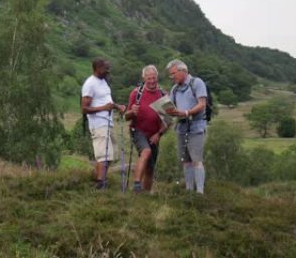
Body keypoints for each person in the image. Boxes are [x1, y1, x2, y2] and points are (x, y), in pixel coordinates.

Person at [81, 58, 125, 189]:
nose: (108, 71)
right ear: (98, 68)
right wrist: (103, 108)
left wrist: (117, 106)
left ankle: (98, 177)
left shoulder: (103, 82)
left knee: (112, 154)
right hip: (98, 124)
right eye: (106, 68)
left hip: (108, 122)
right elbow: (84, 108)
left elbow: (106, 102)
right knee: (103, 155)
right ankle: (101, 183)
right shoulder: (90, 84)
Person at [165, 59, 208, 194]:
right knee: (186, 161)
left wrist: (186, 112)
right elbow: (172, 108)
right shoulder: (174, 89)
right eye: (170, 75)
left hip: (196, 126)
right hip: (181, 127)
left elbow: (202, 104)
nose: (172, 77)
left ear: (183, 71)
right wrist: (167, 110)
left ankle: (200, 193)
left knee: (197, 160)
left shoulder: (197, 82)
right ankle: (189, 191)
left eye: (173, 74)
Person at [125, 65, 167, 193]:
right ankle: (137, 184)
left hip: (154, 133)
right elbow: (126, 116)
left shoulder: (162, 94)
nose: (152, 81)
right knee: (146, 151)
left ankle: (145, 196)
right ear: (144, 78)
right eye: (149, 78)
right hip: (138, 130)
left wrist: (158, 134)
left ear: (157, 77)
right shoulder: (137, 93)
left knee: (150, 168)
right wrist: (132, 112)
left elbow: (167, 120)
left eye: (154, 78)